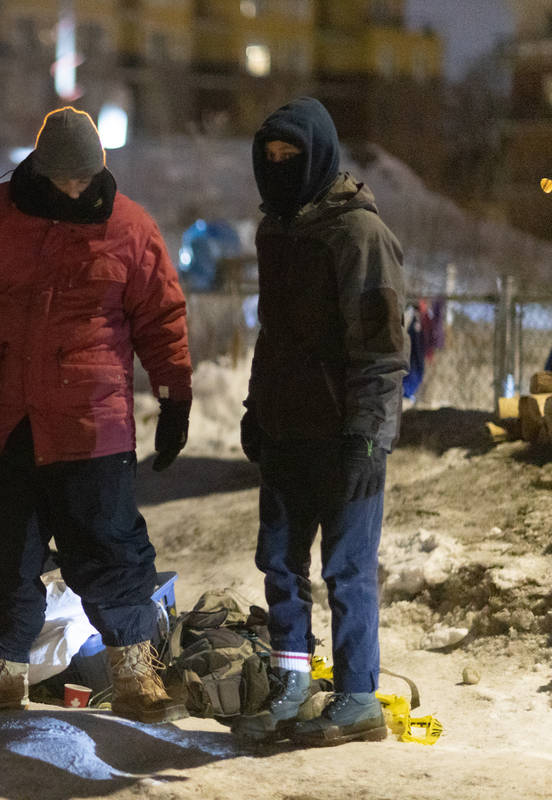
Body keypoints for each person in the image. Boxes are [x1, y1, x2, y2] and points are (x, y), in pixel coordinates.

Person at [0, 107, 192, 721]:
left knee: (110, 549)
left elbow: (162, 318)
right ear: (38, 167)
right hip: (2, 421)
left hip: (91, 426)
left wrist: (175, 396)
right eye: (61, 177)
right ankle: (1, 670)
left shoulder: (130, 227)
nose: (72, 189)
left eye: (82, 178)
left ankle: (136, 672)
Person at [233, 97, 408, 747]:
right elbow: (273, 335)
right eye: (271, 156)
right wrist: (257, 407)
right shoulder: (275, 231)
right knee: (280, 563)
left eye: (292, 157)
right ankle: (293, 682)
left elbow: (382, 348)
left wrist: (368, 434)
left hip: (345, 434)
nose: (280, 166)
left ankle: (358, 696)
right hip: (287, 430)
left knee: (347, 569)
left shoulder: (358, 235)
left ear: (320, 157)